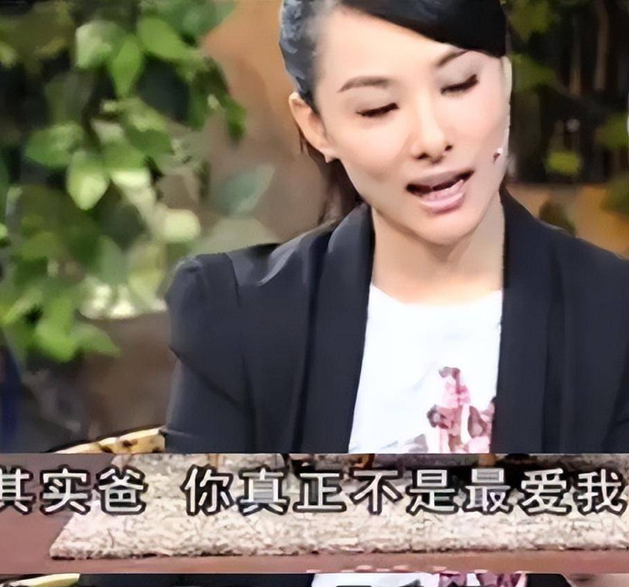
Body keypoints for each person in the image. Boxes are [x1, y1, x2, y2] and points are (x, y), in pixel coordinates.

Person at [163, 0, 629, 456]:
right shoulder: (238, 318)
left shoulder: (614, 317)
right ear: (317, 126)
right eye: (378, 108)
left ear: (505, 77)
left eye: (459, 84)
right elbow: (202, 505)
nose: (432, 139)